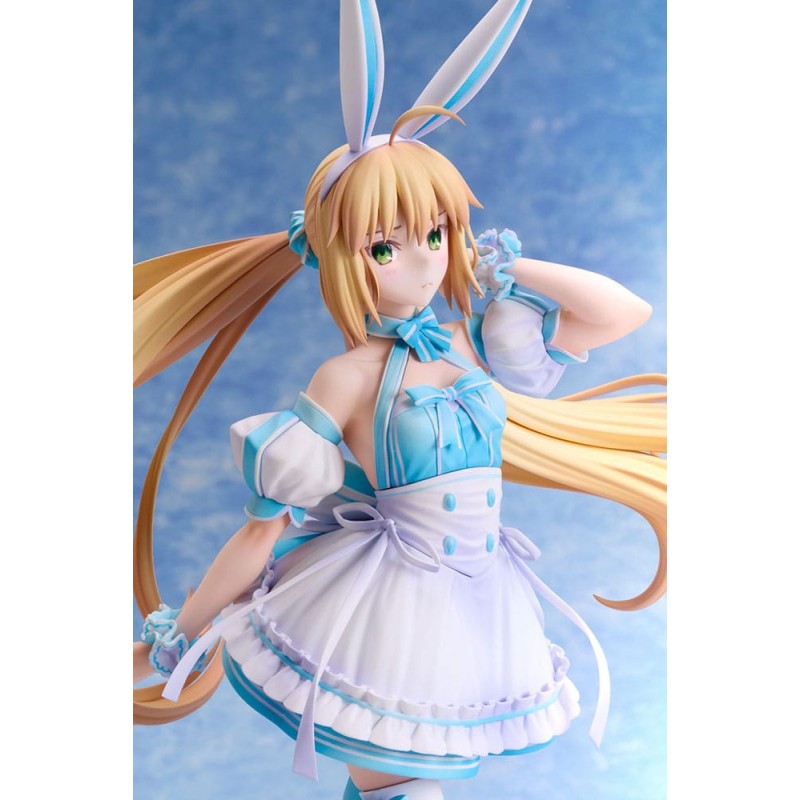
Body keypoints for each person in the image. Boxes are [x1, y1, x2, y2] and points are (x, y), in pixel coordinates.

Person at [133, 3, 666, 798]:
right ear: (343, 257)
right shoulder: (343, 379)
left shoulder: (472, 342)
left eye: (437, 233)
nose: (422, 261)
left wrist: (510, 269)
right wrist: (180, 633)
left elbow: (624, 313)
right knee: (404, 787)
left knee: (412, 785)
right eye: (387, 245)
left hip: (481, 602)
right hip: (383, 607)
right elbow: (262, 528)